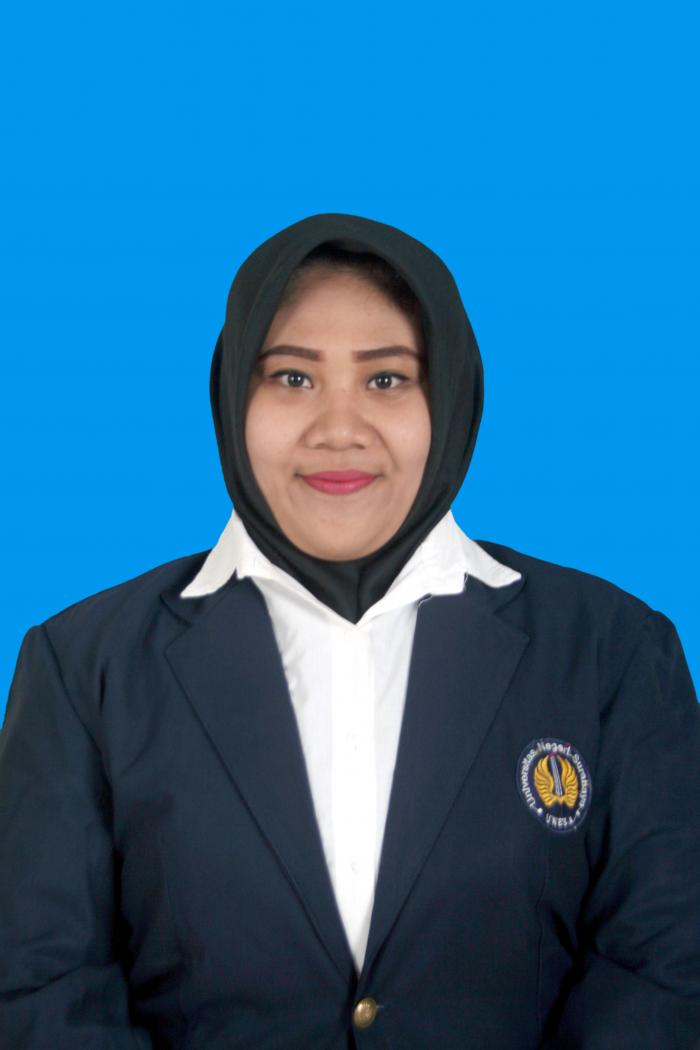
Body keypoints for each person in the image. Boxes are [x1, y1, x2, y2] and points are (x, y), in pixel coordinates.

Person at [0, 212, 699, 1049]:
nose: (339, 428)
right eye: (292, 378)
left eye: (387, 379)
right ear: (231, 398)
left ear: (452, 398)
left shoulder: (612, 650)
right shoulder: (85, 666)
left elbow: (665, 964)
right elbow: (42, 984)